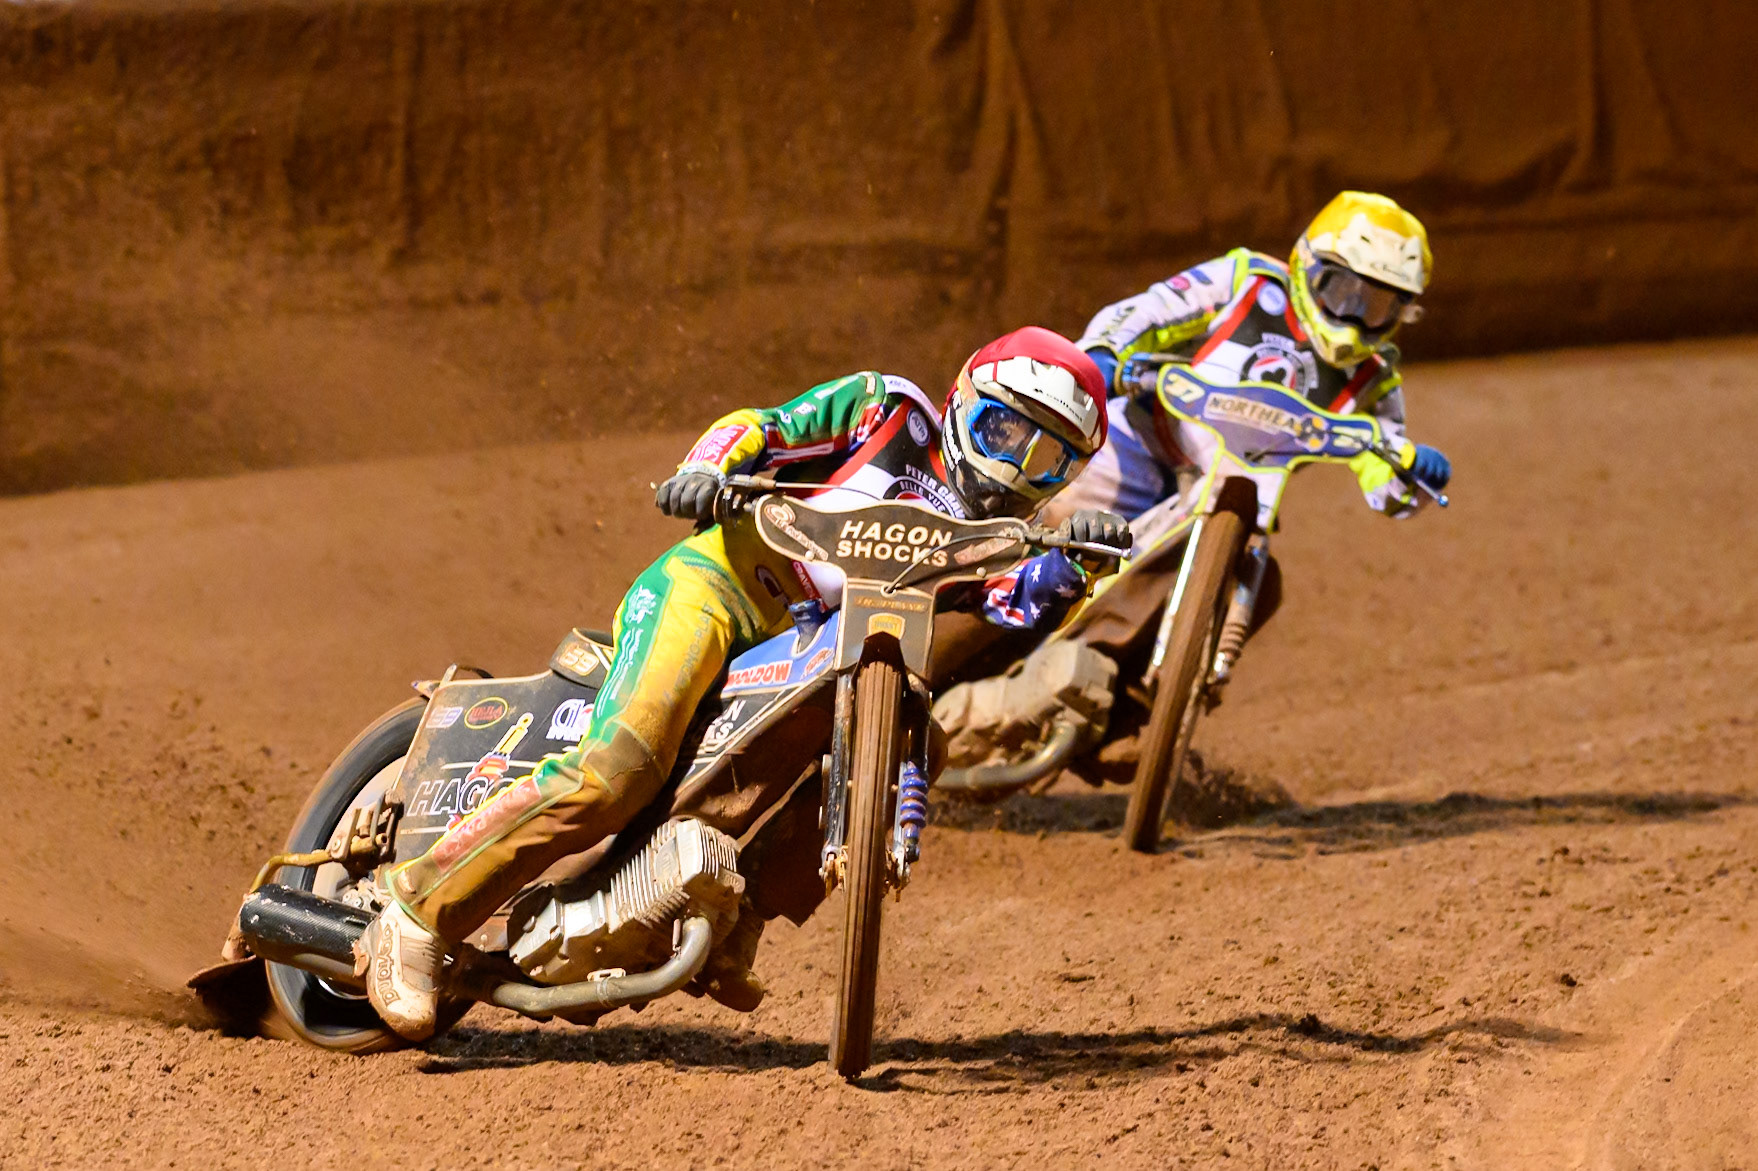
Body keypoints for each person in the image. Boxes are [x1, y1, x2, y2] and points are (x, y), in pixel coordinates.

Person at [357, 326, 1129, 1040]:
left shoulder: (999, 541)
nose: (1016, 468)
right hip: (723, 586)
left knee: (913, 737)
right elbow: (767, 425)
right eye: (1007, 432)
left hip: (824, 647)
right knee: (617, 770)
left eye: (1050, 459)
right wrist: (706, 468)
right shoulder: (890, 409)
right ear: (966, 398)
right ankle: (416, 908)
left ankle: (740, 919)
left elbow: (1018, 603)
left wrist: (1081, 562)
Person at [1053, 190, 1452, 530]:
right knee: (1055, 531)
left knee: (1256, 584)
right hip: (1133, 446)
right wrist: (1102, 352)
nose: (1354, 316)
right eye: (1343, 291)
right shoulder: (1246, 281)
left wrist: (1413, 476)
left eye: (1378, 306)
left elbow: (1387, 487)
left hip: (1232, 496)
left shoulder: (1373, 379)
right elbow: (1150, 311)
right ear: (1309, 267)